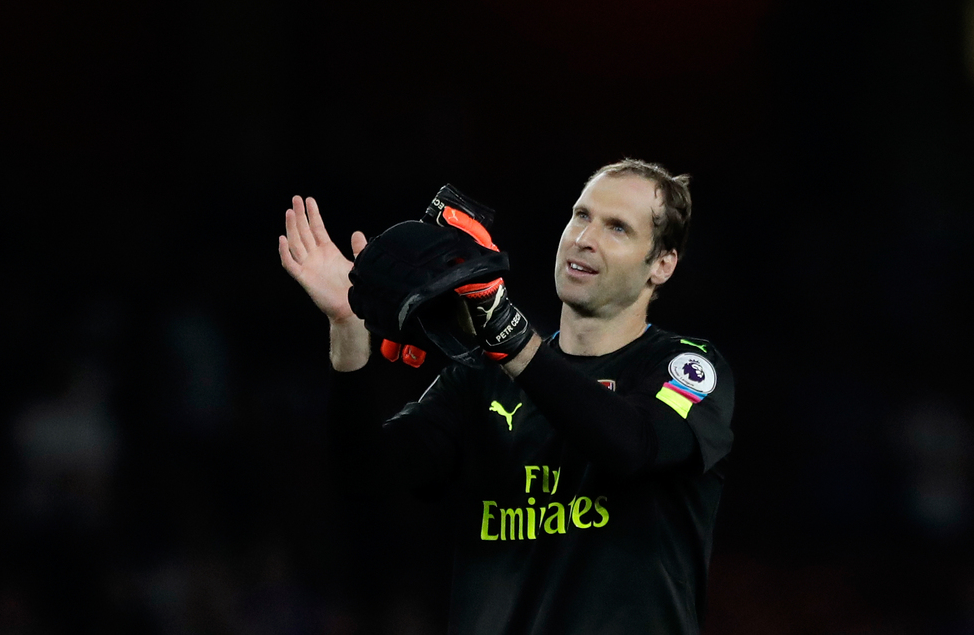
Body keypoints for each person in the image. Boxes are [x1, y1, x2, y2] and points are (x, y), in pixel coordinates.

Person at [278, 159, 734, 634]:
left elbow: (632, 445)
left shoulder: (688, 367)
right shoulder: (481, 377)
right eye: (581, 215)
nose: (584, 237)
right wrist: (348, 330)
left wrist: (504, 330)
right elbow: (363, 479)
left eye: (617, 227)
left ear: (661, 264)